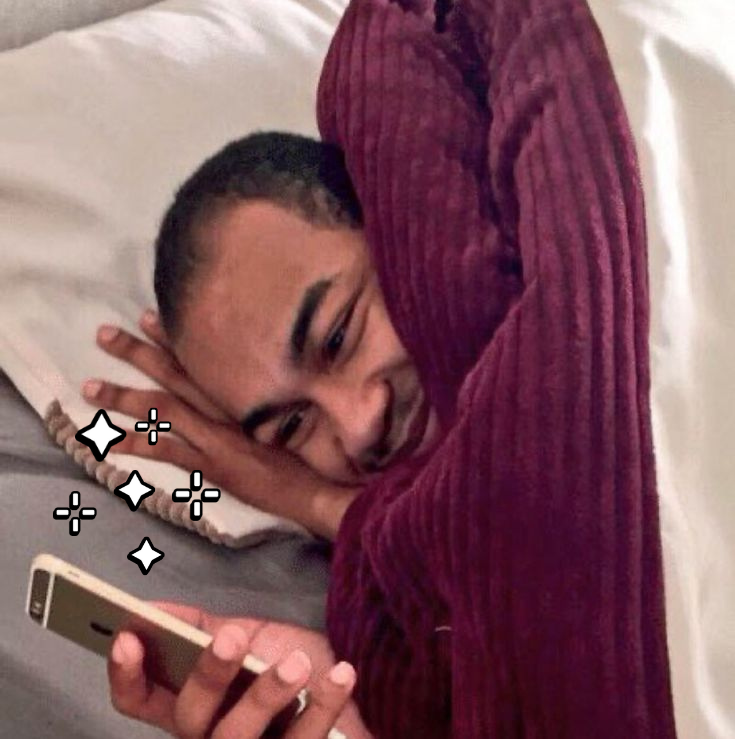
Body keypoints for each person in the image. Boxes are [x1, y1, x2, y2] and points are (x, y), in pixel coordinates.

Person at [87, 0, 677, 736]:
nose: (360, 423)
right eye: (292, 425)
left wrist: (317, 500)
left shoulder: (576, 327)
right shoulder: (383, 608)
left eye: (338, 334)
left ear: (398, 228)